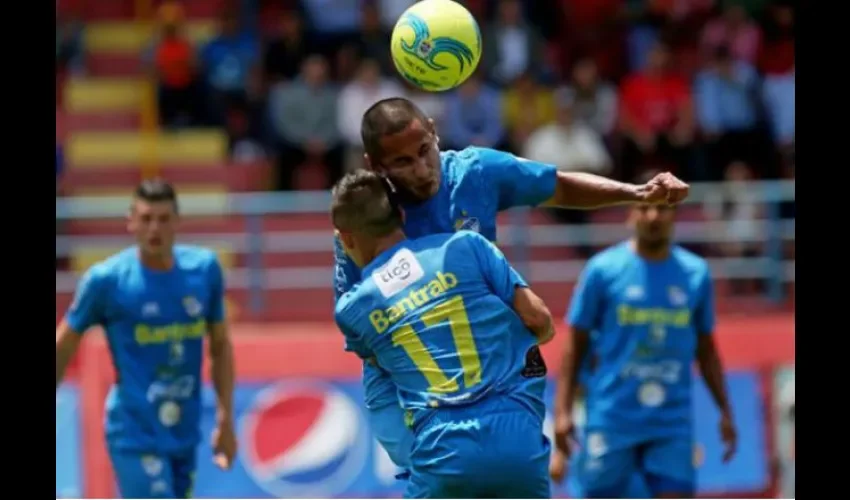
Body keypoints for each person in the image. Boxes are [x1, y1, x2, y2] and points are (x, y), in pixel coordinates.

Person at [332, 97, 691, 473]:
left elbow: (559, 187)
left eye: (425, 151)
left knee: (506, 470)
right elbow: (359, 330)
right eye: (403, 163)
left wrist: (635, 192)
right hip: (405, 371)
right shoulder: (366, 218)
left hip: (493, 355)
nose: (422, 170)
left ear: (435, 132)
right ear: (375, 166)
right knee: (434, 473)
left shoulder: (476, 172)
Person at [332, 170, 555, 498]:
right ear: (402, 216)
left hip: (441, 449)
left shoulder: (353, 309)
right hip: (517, 437)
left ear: (346, 238)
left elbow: (381, 396)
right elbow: (538, 317)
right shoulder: (467, 245)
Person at [553, 176, 737, 498]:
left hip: (670, 422)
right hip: (612, 417)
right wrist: (563, 411)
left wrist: (725, 410)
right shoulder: (602, 271)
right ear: (630, 213)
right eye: (644, 207)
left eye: (661, 209)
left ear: (674, 215)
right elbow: (574, 345)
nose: (653, 216)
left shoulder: (695, 274)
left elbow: (707, 351)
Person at [55, 179, 237, 499]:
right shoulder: (106, 281)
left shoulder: (204, 270)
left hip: (184, 431)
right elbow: (67, 340)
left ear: (178, 222)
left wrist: (225, 417)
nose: (155, 228)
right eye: (146, 218)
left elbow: (220, 346)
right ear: (131, 221)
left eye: (164, 219)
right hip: (133, 431)